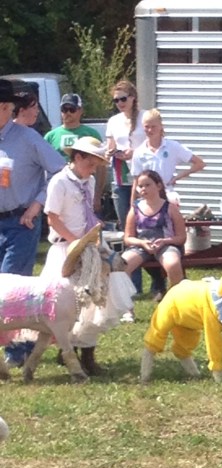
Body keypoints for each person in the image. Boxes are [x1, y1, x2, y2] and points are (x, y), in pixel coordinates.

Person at [42, 137, 134, 375]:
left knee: (96, 298)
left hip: (89, 246)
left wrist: (90, 241)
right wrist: (76, 243)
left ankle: (88, 353)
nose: (92, 170)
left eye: (96, 166)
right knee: (67, 303)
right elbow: (52, 218)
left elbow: (87, 212)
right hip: (66, 248)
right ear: (77, 157)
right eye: (90, 164)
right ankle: (67, 349)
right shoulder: (59, 182)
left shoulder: (89, 181)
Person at [0, 78, 66, 365]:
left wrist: (38, 204)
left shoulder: (28, 138)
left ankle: (17, 351)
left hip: (21, 223)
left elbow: (59, 171)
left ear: (5, 107)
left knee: (11, 287)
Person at [105, 80, 148, 297]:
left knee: (148, 228)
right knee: (127, 230)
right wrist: (110, 152)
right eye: (116, 100)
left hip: (143, 179)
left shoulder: (145, 117)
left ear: (133, 97)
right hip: (121, 179)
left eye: (123, 98)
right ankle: (134, 284)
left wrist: (135, 152)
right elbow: (110, 146)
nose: (120, 103)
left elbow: (156, 142)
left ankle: (158, 279)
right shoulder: (113, 121)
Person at [121, 170, 187, 288]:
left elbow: (181, 237)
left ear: (159, 186)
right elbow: (128, 238)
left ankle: (176, 295)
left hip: (166, 245)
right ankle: (126, 298)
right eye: (140, 186)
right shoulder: (135, 209)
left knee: (172, 264)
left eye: (147, 185)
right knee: (121, 266)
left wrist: (165, 241)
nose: (143, 189)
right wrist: (142, 243)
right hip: (141, 246)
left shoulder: (170, 208)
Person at [44, 93, 107, 214]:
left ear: (80, 110)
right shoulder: (50, 136)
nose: (67, 113)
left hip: (85, 187)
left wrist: (98, 195)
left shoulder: (91, 134)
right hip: (60, 188)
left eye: (71, 109)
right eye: (64, 109)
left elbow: (101, 167)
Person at [129, 109, 205, 201]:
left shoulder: (172, 146)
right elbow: (136, 181)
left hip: (167, 195)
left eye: (153, 126)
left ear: (161, 126)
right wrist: (132, 205)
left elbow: (199, 163)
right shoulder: (139, 152)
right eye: (147, 127)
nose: (150, 130)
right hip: (147, 198)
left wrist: (177, 177)